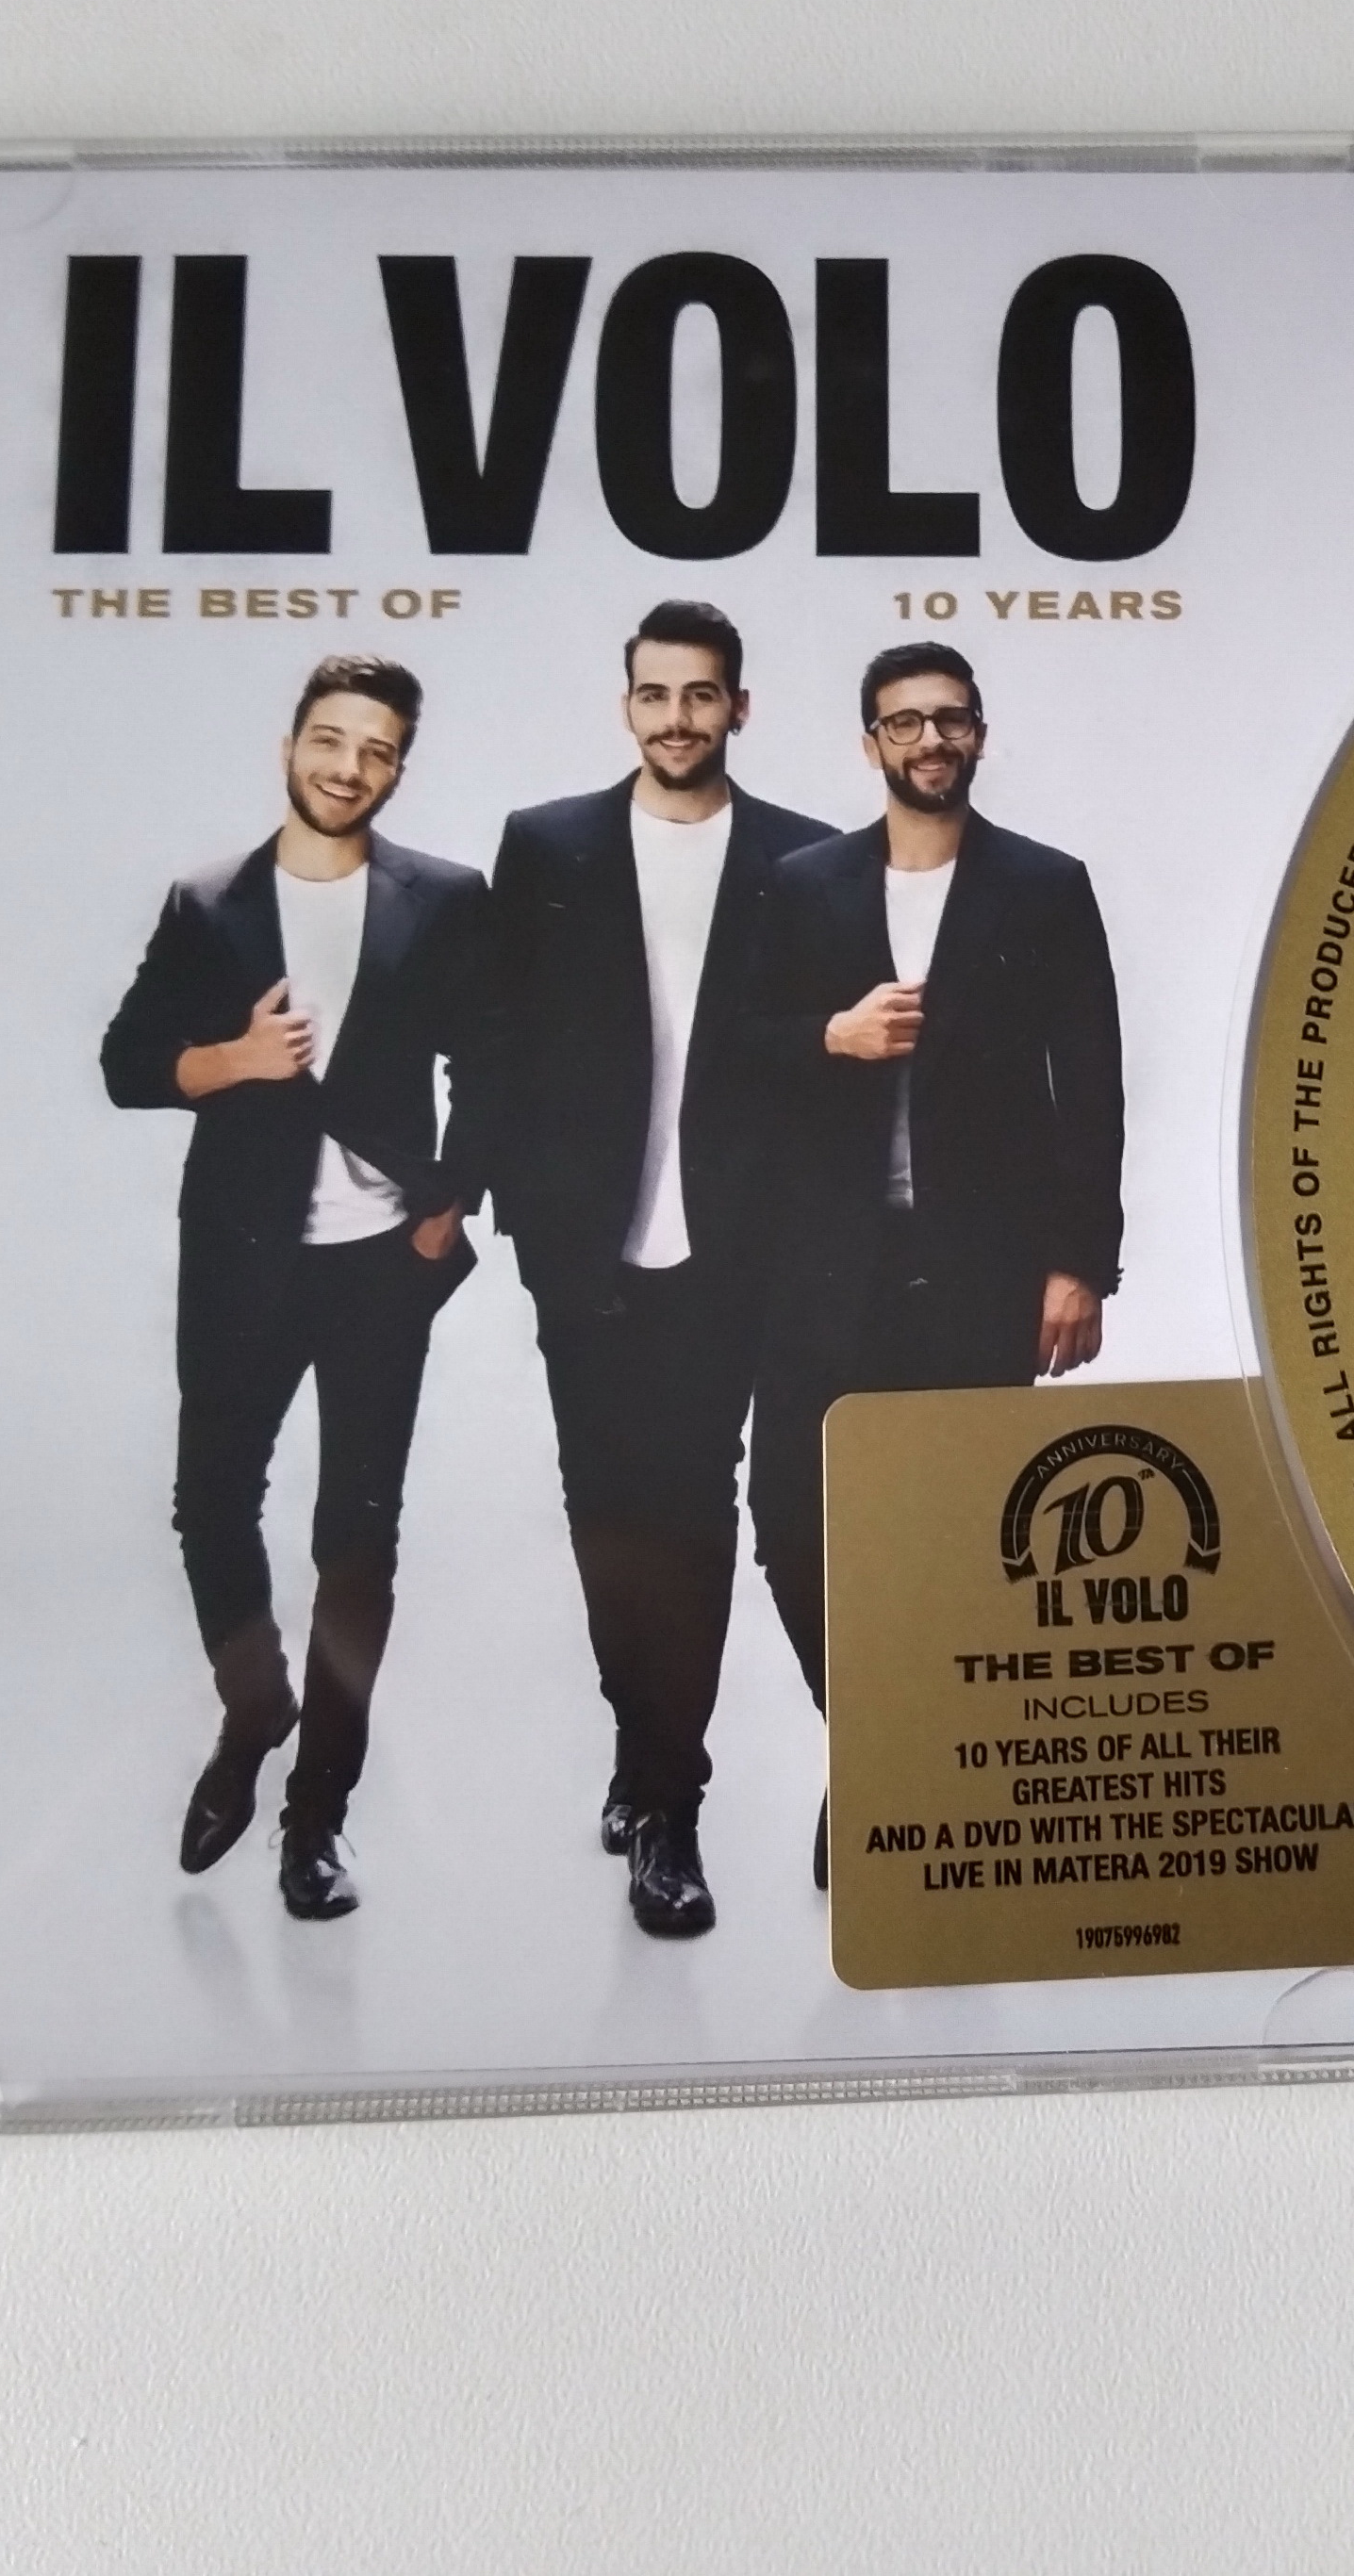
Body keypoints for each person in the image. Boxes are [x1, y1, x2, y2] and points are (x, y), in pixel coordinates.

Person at [100, 653, 489, 1921]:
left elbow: (498, 1064)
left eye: (377, 750)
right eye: (330, 740)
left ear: (399, 768)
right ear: (289, 747)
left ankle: (317, 1816)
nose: (348, 767)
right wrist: (236, 1059)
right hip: (241, 1253)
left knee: (357, 1537)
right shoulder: (209, 900)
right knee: (209, 1500)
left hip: (383, 1262)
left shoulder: (445, 899)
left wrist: (448, 1206)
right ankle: (255, 1706)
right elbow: (126, 1064)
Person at [468, 600, 834, 1940]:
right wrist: (519, 1214)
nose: (678, 718)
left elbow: (818, 1068)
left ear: (740, 707)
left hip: (739, 1250)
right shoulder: (547, 844)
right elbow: (499, 1040)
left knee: (693, 1508)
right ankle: (641, 1745)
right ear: (627, 705)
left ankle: (672, 1808)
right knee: (607, 1510)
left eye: (702, 695)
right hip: (587, 1247)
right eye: (655, 695)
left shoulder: (805, 858)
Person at [750, 644, 1123, 1884]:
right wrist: (831, 1035)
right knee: (790, 1512)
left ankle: (928, 1769)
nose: (929, 740)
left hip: (983, 1267)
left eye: (950, 719)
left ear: (979, 734)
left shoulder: (1044, 885)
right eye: (903, 721)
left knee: (966, 1524)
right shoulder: (803, 884)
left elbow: (1093, 1086)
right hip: (826, 1267)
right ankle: (869, 1743)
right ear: (870, 742)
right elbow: (730, 1059)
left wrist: (1081, 1264)